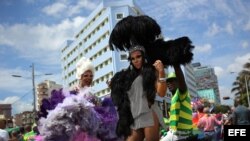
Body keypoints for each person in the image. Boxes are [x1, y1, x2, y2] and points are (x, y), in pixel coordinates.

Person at [38, 57, 120, 141]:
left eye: (91, 76)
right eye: (86, 75)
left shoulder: (92, 96)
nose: (89, 78)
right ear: (80, 76)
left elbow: (100, 112)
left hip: (91, 132)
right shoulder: (72, 91)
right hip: (76, 133)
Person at [110, 45, 167, 141]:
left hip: (148, 113)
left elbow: (161, 93)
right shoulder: (127, 76)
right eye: (133, 58)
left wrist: (161, 72)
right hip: (134, 117)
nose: (136, 60)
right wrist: (115, 86)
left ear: (143, 56)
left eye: (138, 57)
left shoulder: (151, 72)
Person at [161, 66, 194, 141]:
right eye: (168, 82)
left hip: (178, 135)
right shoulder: (174, 97)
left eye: (172, 81)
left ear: (178, 81)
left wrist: (176, 63)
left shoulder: (181, 93)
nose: (169, 83)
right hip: (179, 133)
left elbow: (181, 80)